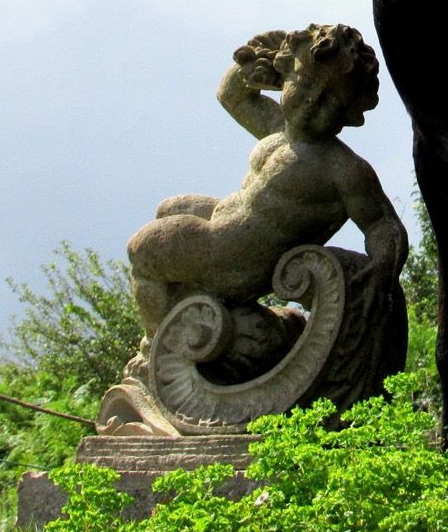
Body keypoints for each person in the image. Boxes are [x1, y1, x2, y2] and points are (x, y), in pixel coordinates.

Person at [127, 24, 406, 339]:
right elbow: (231, 95)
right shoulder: (279, 129)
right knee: (169, 207)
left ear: (351, 114)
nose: (312, 101)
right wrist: (270, 57)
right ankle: (182, 322)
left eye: (331, 101)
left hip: (234, 261)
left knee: (145, 249)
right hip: (223, 224)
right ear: (287, 72)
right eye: (306, 83)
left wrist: (378, 275)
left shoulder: (342, 169)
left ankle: (164, 346)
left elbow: (384, 225)